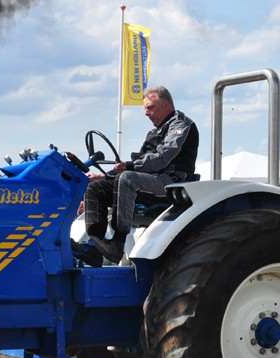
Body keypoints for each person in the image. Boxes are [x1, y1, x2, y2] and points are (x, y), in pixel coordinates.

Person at [83, 86, 199, 263]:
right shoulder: (154, 132)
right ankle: (95, 245)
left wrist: (129, 166)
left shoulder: (181, 125)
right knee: (95, 187)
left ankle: (117, 242)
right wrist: (105, 176)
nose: (146, 113)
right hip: (148, 181)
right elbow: (138, 162)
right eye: (145, 109)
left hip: (170, 184)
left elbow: (162, 158)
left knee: (127, 178)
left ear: (166, 105)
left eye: (150, 107)